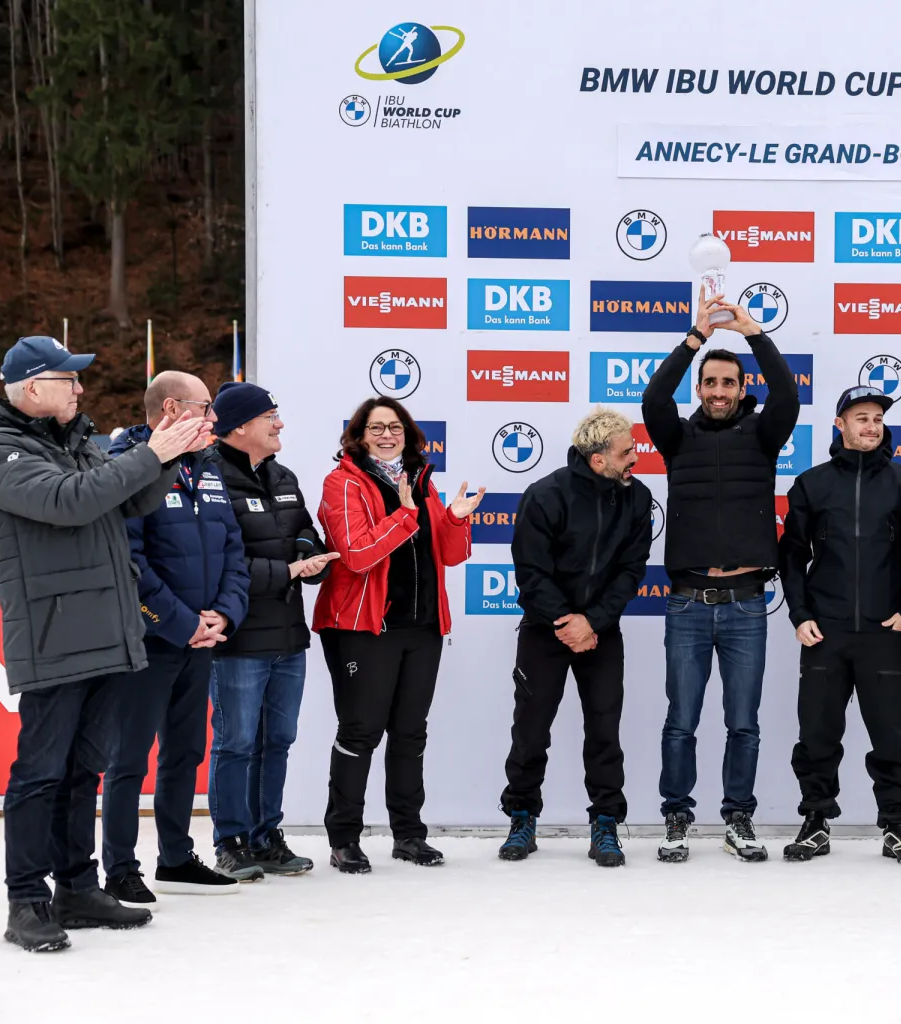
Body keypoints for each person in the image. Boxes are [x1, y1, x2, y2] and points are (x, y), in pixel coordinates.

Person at [0, 336, 211, 952]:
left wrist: (166, 455)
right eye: (69, 380)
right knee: (40, 774)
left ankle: (76, 887)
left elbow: (130, 500)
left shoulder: (75, 441)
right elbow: (71, 503)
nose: (81, 389)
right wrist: (153, 453)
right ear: (34, 389)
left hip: (104, 629)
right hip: (53, 633)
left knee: (83, 769)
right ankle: (27, 902)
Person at [641, 287, 801, 863]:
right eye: (709, 383)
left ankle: (738, 817)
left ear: (740, 389)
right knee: (680, 721)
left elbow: (787, 393)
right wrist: (696, 339)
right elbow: (654, 397)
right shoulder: (674, 438)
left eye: (728, 383)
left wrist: (752, 332)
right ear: (700, 388)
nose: (717, 392)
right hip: (686, 602)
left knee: (743, 724)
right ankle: (677, 816)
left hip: (746, 604)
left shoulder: (763, 437)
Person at [776, 386, 901, 865]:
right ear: (840, 424)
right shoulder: (812, 484)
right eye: (860, 418)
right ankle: (814, 821)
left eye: (876, 418)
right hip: (825, 633)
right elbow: (791, 555)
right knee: (817, 734)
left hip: (885, 633)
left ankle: (896, 825)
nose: (870, 426)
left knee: (893, 737)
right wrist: (800, 613)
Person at [312, 397, 485, 873]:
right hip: (363, 628)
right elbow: (357, 554)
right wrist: (407, 514)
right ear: (359, 436)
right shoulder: (341, 482)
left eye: (395, 427)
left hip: (422, 627)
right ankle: (344, 837)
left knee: (410, 733)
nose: (386, 435)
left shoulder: (422, 482)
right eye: (376, 428)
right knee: (360, 731)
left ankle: (409, 834)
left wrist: (453, 517)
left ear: (407, 434)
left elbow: (448, 556)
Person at [102, 373, 252, 901]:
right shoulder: (129, 469)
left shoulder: (207, 467)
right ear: (172, 407)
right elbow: (129, 563)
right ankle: (119, 867)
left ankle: (176, 858)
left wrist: (225, 617)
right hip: (150, 642)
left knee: (185, 752)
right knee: (129, 758)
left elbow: (234, 552)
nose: (214, 419)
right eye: (206, 407)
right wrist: (183, 623)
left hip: (201, 642)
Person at [499, 408, 652, 867]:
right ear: (598, 459)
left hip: (602, 632)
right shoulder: (545, 494)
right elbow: (530, 571)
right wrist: (567, 621)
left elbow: (631, 570)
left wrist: (594, 622)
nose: (636, 459)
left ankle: (606, 823)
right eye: (627, 452)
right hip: (544, 632)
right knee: (531, 730)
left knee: (604, 730)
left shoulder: (637, 498)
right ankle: (522, 816)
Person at [207, 383, 338, 878]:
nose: (280, 424)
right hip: (239, 639)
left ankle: (266, 836)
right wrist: (287, 572)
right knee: (236, 742)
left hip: (288, 636)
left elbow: (306, 531)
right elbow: (220, 562)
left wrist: (307, 553)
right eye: (271, 416)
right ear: (240, 426)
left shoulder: (283, 475)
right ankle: (230, 840)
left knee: (277, 740)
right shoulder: (210, 476)